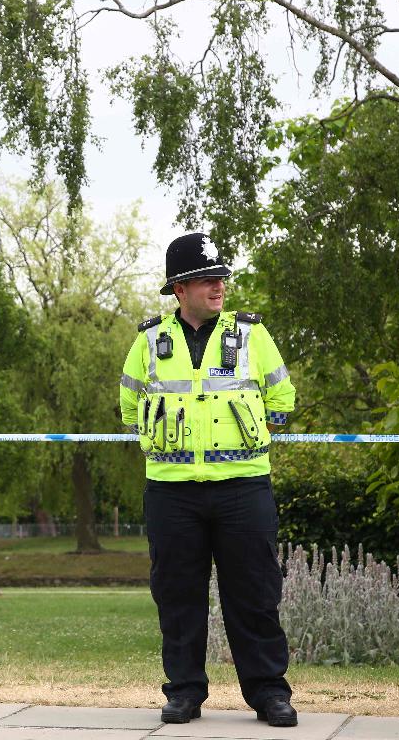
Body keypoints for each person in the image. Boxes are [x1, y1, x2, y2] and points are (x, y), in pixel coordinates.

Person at [119, 231, 298, 728]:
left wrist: (254, 436)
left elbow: (283, 400)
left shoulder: (252, 334)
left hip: (243, 488)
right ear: (179, 289)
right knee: (177, 595)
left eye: (221, 277)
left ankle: (269, 694)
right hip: (171, 492)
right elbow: (129, 406)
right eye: (205, 279)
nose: (218, 286)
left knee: (256, 594)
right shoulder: (150, 338)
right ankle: (184, 693)